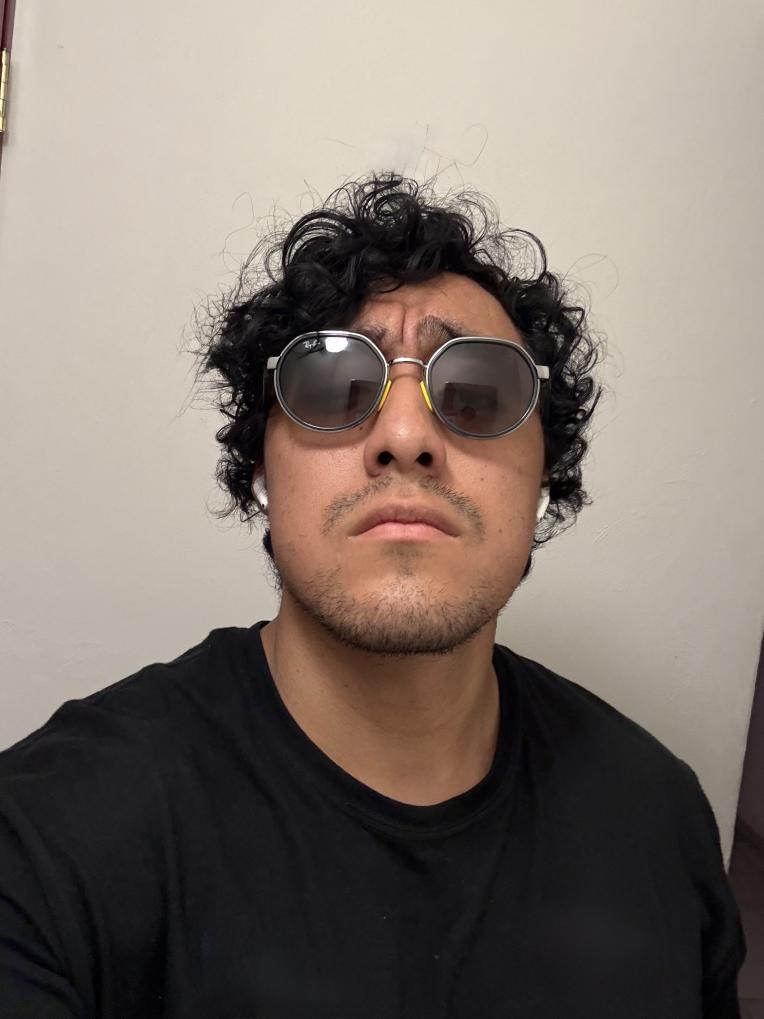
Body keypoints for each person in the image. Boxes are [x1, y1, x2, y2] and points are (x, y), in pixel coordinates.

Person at [0, 174, 746, 1018]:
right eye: (332, 385)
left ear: (545, 479)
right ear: (260, 472)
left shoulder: (660, 818)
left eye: (479, 392)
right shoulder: (49, 846)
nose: (405, 434)